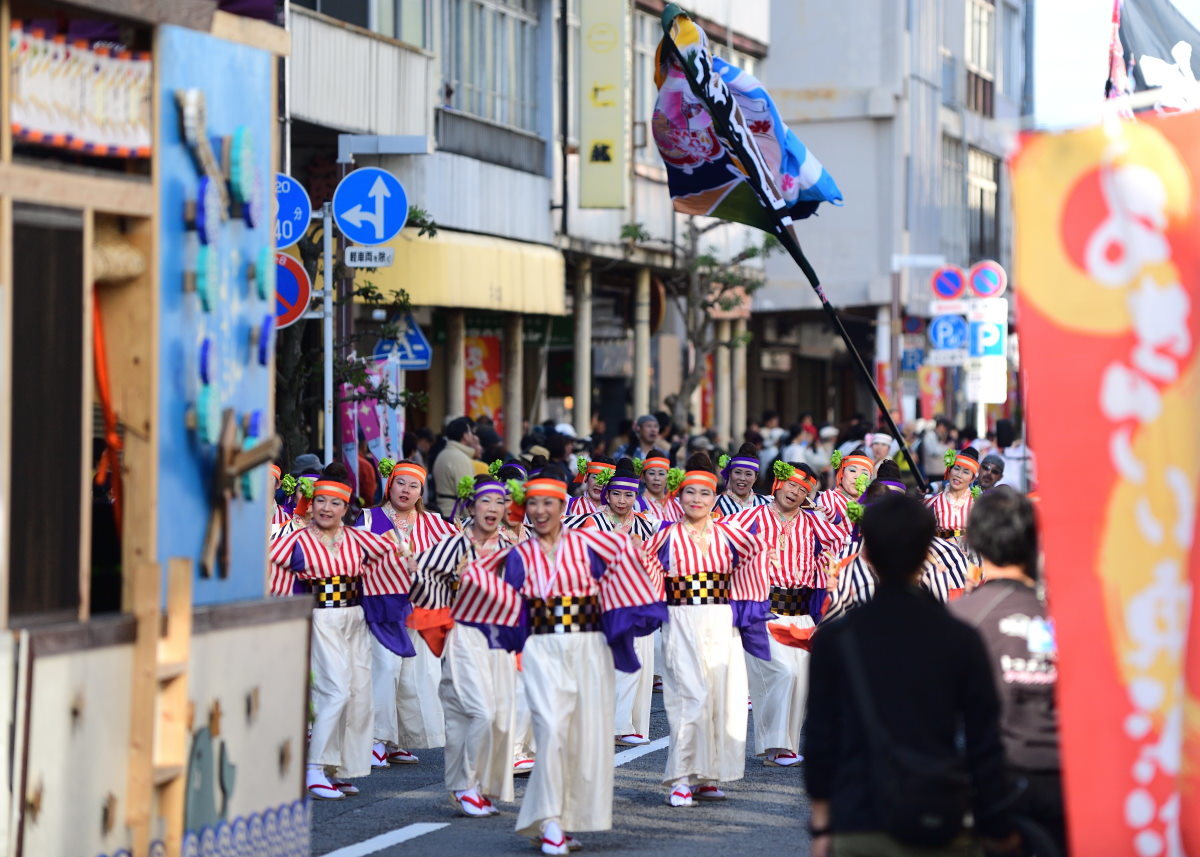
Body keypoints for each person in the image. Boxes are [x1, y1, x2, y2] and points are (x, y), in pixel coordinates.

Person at [452, 466, 666, 856]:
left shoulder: (591, 545)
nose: (540, 510)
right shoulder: (518, 554)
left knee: (578, 738)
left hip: (588, 647)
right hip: (542, 648)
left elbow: (634, 567)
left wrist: (627, 620)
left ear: (562, 504)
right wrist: (471, 577)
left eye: (548, 502)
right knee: (550, 732)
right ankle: (549, 823)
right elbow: (493, 589)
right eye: (532, 503)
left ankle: (557, 819)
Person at [804, 494, 1017, 857]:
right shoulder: (961, 638)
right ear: (926, 554)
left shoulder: (837, 640)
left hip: (859, 817)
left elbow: (821, 738)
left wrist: (822, 824)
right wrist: (997, 824)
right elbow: (985, 740)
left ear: (867, 554)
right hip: (939, 816)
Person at [268, 463, 414, 800]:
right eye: (321, 501)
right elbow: (270, 568)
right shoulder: (296, 541)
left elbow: (393, 547)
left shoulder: (357, 539)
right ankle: (313, 767)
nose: (327, 508)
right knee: (333, 691)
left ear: (346, 509)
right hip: (319, 620)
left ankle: (335, 767)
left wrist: (409, 558)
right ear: (311, 503)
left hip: (354, 619)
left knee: (355, 694)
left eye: (335, 503)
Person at [642, 453, 770, 808]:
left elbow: (759, 551)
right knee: (689, 699)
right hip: (681, 619)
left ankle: (707, 776)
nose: (697, 499)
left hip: (721, 621)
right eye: (690, 493)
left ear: (715, 497)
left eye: (705, 493)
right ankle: (681, 778)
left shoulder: (731, 534)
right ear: (678, 497)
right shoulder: (665, 535)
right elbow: (643, 567)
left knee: (721, 700)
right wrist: (652, 604)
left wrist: (745, 603)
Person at [951, 488, 1065, 856]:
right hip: (1067, 782)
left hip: (989, 783)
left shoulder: (962, 617)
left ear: (978, 540)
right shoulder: (1069, 617)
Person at [726, 462, 844, 768]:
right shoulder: (751, 515)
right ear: (778, 483)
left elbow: (843, 540)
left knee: (801, 681)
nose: (795, 492)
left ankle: (784, 746)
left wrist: (822, 509)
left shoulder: (812, 521)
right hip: (763, 609)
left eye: (803, 489)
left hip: (801, 613)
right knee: (781, 674)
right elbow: (721, 542)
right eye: (792, 485)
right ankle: (774, 746)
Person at [411, 475, 516, 818]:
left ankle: (468, 784)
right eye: (486, 501)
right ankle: (467, 786)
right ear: (471, 505)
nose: (493, 509)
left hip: (498, 637)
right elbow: (421, 571)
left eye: (500, 502)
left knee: (492, 714)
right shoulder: (455, 545)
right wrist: (442, 610)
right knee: (479, 711)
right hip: (465, 632)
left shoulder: (509, 547)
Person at [357, 459, 458, 768]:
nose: (406, 490)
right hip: (382, 608)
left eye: (413, 485)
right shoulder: (368, 519)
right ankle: (374, 739)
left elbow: (456, 555)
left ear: (421, 492)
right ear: (390, 485)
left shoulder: (437, 524)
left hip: (422, 608)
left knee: (418, 675)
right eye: (400, 482)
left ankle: (398, 740)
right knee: (385, 670)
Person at [567, 460, 659, 747]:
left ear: (636, 495)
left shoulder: (645, 524)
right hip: (605, 601)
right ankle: (610, 725)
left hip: (639, 601)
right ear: (607, 494)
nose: (622, 500)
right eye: (616, 493)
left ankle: (629, 724)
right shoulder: (593, 522)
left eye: (629, 495)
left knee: (639, 665)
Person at [926, 447, 980, 555]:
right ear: (949, 470)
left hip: (970, 560)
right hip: (939, 558)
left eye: (966, 472)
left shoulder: (978, 506)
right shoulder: (932, 502)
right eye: (956, 468)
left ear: (972, 479)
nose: (959, 475)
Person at [817, 447, 874, 532]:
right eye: (852, 470)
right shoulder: (829, 498)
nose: (857, 476)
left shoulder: (873, 504)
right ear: (842, 474)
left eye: (864, 473)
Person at [433, 417, 478, 518]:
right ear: (465, 436)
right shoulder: (459, 458)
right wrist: (471, 520)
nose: (473, 437)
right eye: (471, 432)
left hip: (444, 511)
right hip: (454, 515)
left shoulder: (444, 453)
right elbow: (466, 495)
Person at [715, 443, 771, 516]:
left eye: (748, 474)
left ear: (755, 477)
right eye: (738, 472)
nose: (742, 478)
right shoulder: (715, 504)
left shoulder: (767, 504)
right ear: (730, 474)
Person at [639, 450, 682, 523]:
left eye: (661, 474)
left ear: (668, 477)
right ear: (643, 477)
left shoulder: (679, 503)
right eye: (652, 473)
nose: (656, 478)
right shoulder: (637, 505)